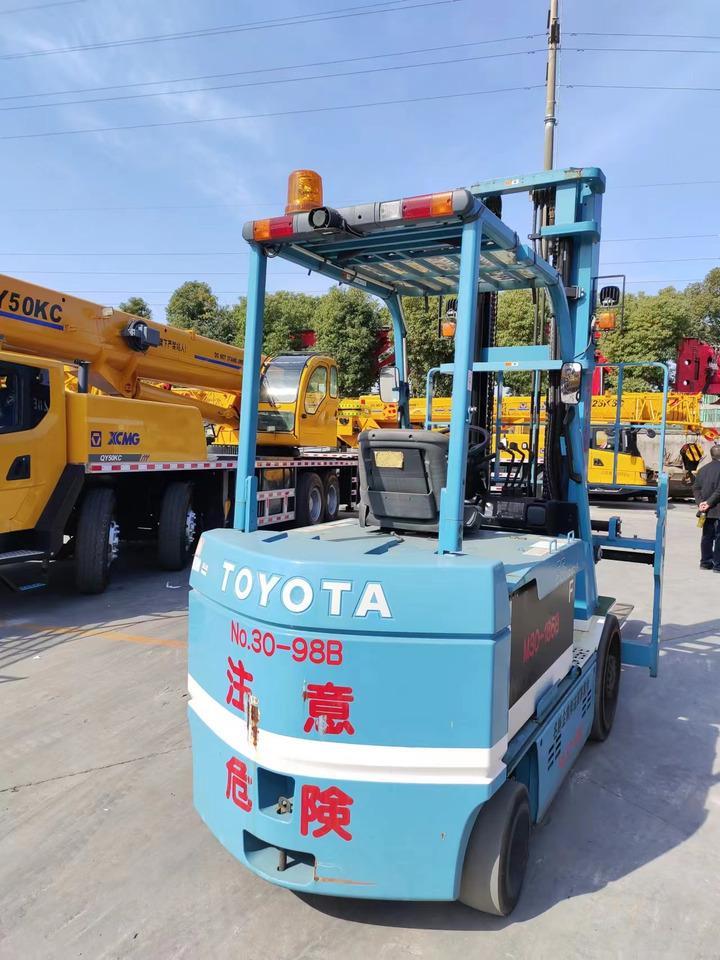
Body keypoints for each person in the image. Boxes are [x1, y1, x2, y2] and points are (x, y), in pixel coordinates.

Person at [693, 444, 720, 571]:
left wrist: (701, 503)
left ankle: (705, 562)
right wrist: (709, 502)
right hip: (717, 509)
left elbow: (696, 488)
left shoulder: (702, 470)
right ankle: (717, 565)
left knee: (707, 536)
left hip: (706, 511)